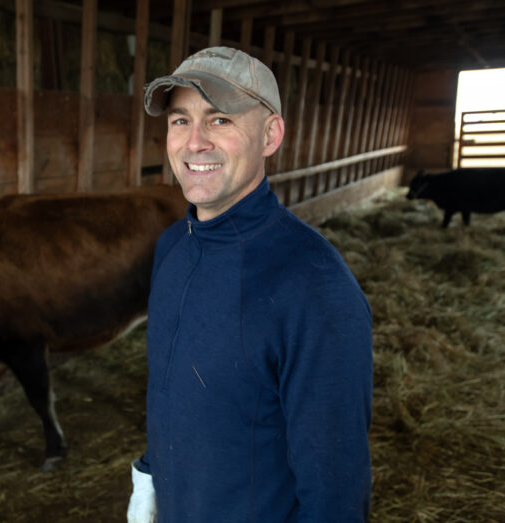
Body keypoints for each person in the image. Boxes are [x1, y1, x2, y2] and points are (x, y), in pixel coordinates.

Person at [127, 46, 373, 523]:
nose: (194, 142)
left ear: (270, 134)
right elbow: (170, 387)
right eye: (180, 120)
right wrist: (151, 474)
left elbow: (335, 483)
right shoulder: (173, 248)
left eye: (220, 120)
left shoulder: (314, 284)